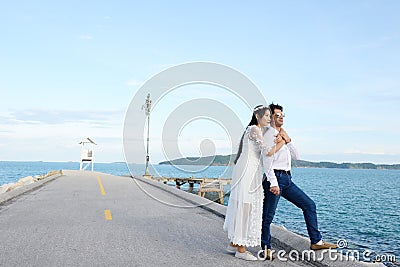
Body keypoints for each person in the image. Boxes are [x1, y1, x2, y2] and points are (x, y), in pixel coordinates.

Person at [260, 103, 338, 260]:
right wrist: (273, 183)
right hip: (274, 178)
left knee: (309, 205)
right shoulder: (268, 135)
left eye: (282, 115)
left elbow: (296, 156)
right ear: (270, 118)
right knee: (268, 216)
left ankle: (316, 241)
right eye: (277, 115)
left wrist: (288, 139)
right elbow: (266, 160)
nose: (281, 117)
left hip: (287, 179)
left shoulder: (283, 134)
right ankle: (266, 248)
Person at [223, 105, 284, 261]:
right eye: (267, 116)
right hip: (247, 171)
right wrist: (283, 142)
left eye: (270, 116)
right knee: (245, 206)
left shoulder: (254, 130)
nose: (269, 119)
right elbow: (267, 152)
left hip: (248, 169)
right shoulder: (254, 130)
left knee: (243, 204)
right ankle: (241, 249)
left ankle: (233, 243)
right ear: (258, 116)